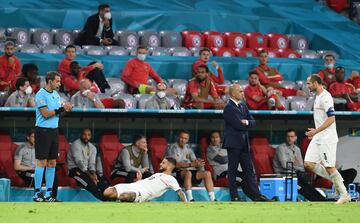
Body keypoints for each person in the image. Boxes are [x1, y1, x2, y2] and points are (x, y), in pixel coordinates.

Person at [304, 74, 351, 204]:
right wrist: (316, 133)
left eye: (309, 83)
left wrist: (315, 131)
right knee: (308, 163)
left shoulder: (325, 97)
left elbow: (331, 118)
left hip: (327, 138)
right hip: (318, 137)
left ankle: (344, 194)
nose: (307, 86)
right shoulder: (317, 96)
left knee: (329, 166)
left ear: (315, 83)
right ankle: (338, 180)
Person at [223, 84, 269, 201]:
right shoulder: (228, 108)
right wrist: (246, 123)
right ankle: (234, 196)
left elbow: (253, 121)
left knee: (249, 170)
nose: (243, 93)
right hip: (233, 143)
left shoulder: (243, 106)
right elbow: (238, 125)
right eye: (240, 91)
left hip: (244, 143)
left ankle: (257, 196)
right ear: (233, 93)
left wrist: (247, 122)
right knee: (232, 170)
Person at [33, 71, 72, 202]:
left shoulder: (55, 94)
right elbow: (45, 113)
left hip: (54, 131)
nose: (59, 83)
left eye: (60, 81)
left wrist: (65, 110)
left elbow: (56, 114)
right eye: (57, 81)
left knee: (52, 162)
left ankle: (49, 194)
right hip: (42, 131)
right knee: (41, 162)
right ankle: (37, 194)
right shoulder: (40, 94)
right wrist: (61, 109)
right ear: (50, 81)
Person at [207, 130, 267, 201]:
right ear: (210, 139)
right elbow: (223, 160)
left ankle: (257, 197)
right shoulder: (210, 149)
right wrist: (234, 155)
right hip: (221, 173)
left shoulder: (225, 146)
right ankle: (250, 197)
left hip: (232, 171)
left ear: (220, 138)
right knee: (241, 179)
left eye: (217, 137)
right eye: (213, 137)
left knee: (248, 177)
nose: (215, 139)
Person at [273, 129, 326, 201]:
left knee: (308, 186)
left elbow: (301, 166)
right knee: (302, 188)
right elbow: (285, 165)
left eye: (292, 136)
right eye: (288, 136)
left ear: (295, 138)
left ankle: (323, 200)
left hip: (295, 174)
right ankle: (317, 201)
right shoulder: (281, 148)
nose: (290, 138)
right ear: (286, 138)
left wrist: (294, 166)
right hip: (283, 176)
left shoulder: (297, 149)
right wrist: (295, 165)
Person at [103, 157, 187, 202]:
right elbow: (148, 183)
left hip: (141, 193)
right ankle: (118, 200)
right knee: (107, 192)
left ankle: (118, 200)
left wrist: (186, 203)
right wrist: (139, 180)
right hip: (133, 185)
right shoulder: (157, 174)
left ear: (169, 166)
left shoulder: (171, 179)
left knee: (124, 196)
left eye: (163, 163)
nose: (160, 164)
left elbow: (179, 192)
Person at [166, 130, 216, 202]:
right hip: (176, 173)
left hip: (189, 171)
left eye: (185, 138)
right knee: (188, 173)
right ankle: (190, 199)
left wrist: (198, 163)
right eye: (182, 138)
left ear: (188, 139)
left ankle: (213, 199)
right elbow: (175, 164)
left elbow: (194, 160)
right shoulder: (172, 147)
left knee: (207, 173)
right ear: (178, 138)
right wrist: (191, 164)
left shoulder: (188, 148)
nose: (183, 140)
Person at [14, 129, 59, 197]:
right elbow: (16, 167)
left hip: (37, 171)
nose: (36, 139)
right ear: (28, 137)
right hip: (25, 172)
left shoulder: (41, 148)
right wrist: (32, 168)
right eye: (33, 137)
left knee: (53, 176)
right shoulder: (21, 148)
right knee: (36, 176)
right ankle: (37, 196)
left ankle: (52, 197)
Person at [67, 128, 109, 201]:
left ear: (91, 136)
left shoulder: (92, 147)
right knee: (90, 183)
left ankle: (110, 197)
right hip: (75, 170)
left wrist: (93, 173)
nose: (86, 137)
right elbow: (79, 162)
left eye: (88, 135)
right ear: (81, 135)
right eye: (84, 135)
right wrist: (90, 175)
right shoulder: (76, 144)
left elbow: (92, 163)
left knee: (101, 182)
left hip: (88, 171)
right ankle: (104, 200)